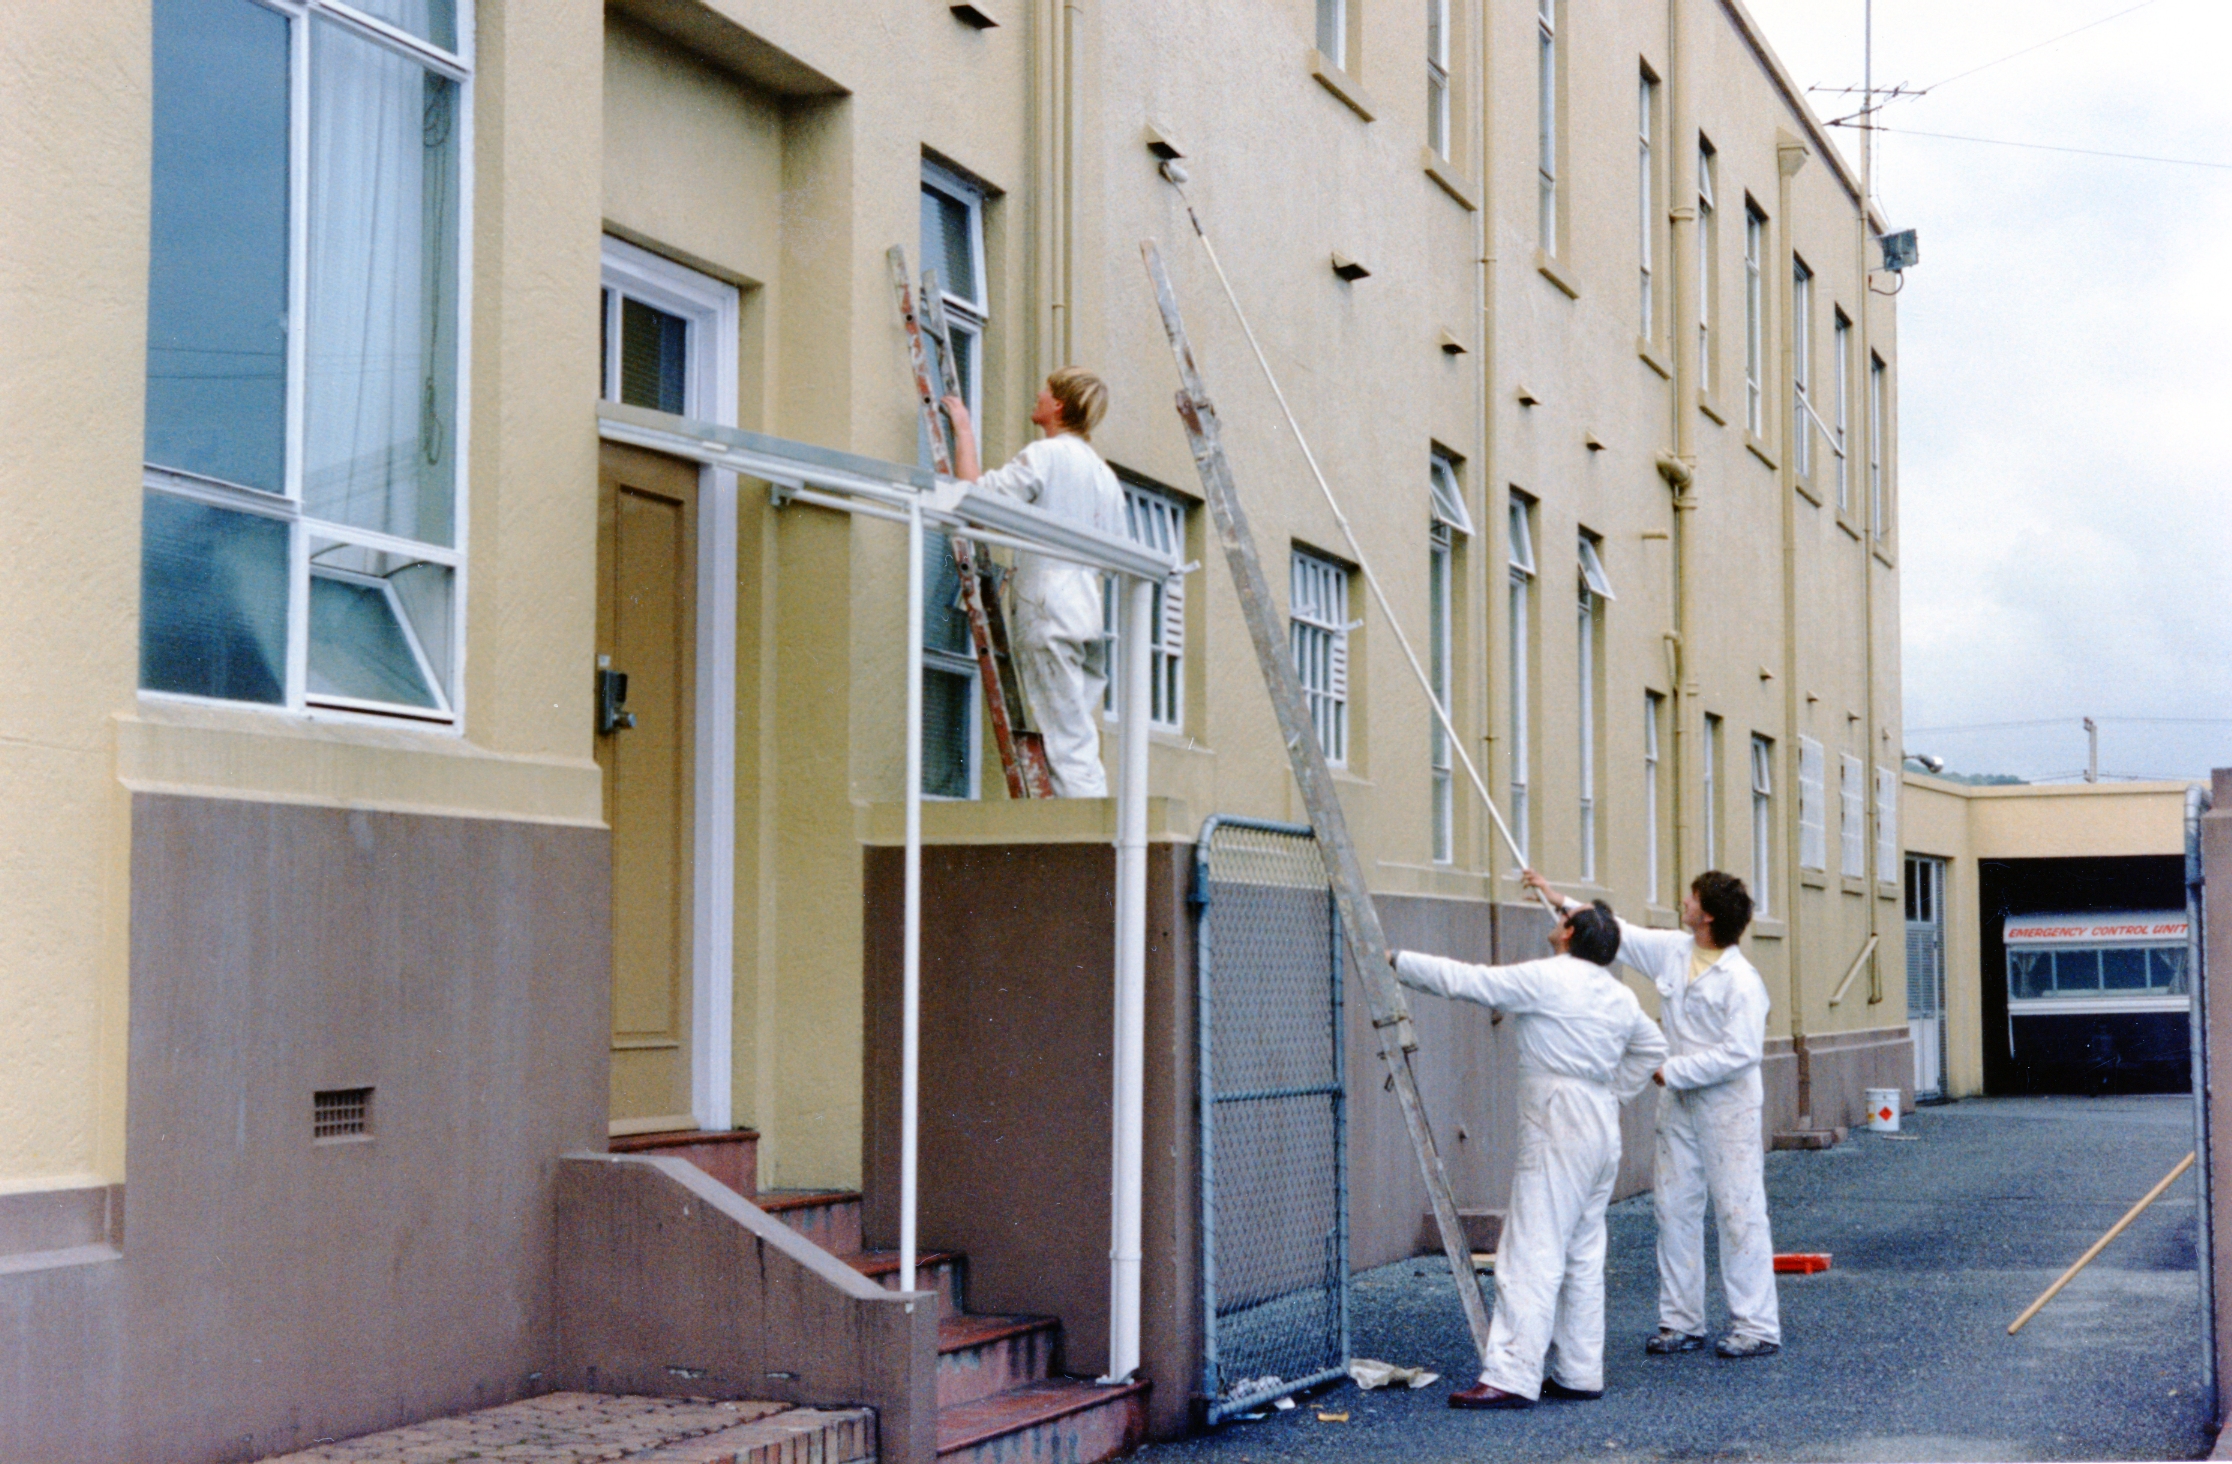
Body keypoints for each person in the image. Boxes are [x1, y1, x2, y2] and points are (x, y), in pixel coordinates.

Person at [1390, 903, 1668, 1409]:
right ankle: (1580, 1371)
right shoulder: (1620, 996)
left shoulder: (1548, 978)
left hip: (1558, 1117)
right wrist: (1615, 1094)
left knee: (1531, 1249)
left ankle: (1513, 1374)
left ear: (1568, 933)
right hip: (1600, 1120)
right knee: (1582, 1251)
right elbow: (1652, 1047)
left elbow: (1466, 981)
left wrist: (1398, 960)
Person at [1523, 866, 1782, 1360]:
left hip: (1728, 1106)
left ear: (1705, 914)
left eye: (1691, 898)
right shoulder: (1674, 951)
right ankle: (1681, 1321)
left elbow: (1741, 1052)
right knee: (1674, 1207)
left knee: (1738, 1210)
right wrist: (1556, 897)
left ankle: (1756, 1325)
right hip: (1680, 1102)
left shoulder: (1742, 982)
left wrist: (1674, 1069)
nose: (1683, 901)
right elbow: (1616, 931)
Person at [943, 368, 1123, 797]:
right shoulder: (1104, 477)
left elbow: (974, 499)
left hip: (1049, 608)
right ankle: (1089, 835)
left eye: (1045, 389)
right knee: (1075, 733)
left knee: (1065, 745)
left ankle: (1088, 845)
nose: (1037, 394)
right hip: (1086, 611)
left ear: (1058, 405)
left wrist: (964, 430)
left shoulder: (1047, 456)